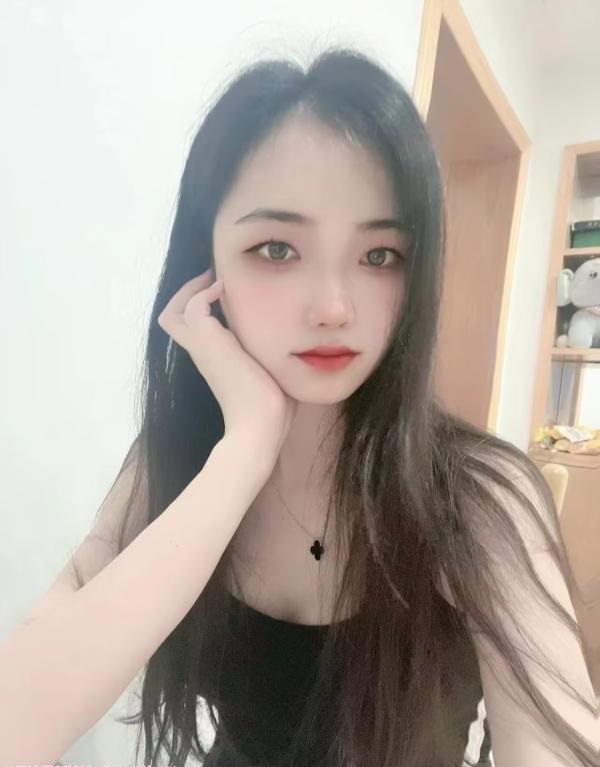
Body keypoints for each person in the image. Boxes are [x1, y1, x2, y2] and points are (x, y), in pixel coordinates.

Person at [0, 46, 597, 767]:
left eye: (380, 256)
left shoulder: (475, 500)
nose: (333, 306)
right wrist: (245, 449)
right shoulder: (179, 458)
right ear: (205, 265)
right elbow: (17, 727)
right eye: (277, 248)